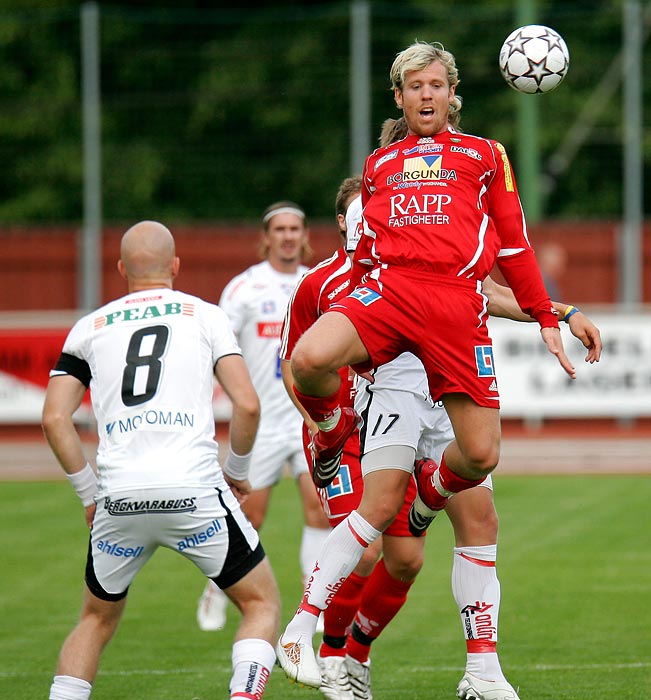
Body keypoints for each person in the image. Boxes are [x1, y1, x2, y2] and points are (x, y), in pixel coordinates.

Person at [276, 39, 583, 691]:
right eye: (413, 85)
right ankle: (306, 624)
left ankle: (479, 667)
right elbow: (375, 257)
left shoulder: (481, 156)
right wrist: (358, 299)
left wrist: (550, 314)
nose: (425, 94)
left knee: (480, 464)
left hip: (452, 315)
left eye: (435, 84)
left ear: (451, 94)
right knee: (307, 360)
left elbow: (512, 248)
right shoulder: (380, 167)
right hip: (394, 311)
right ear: (398, 96)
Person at [42, 221, 280, 700]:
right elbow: (248, 405)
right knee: (261, 603)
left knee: (94, 619)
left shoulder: (89, 327)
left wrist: (89, 495)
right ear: (175, 266)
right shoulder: (205, 316)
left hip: (119, 497)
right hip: (193, 490)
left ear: (121, 269)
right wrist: (235, 472)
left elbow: (53, 418)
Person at [197, 201, 332, 631]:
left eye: (295, 228)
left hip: (308, 418)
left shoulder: (319, 283)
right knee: (249, 515)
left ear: (305, 234)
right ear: (267, 236)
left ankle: (314, 606)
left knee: (318, 510)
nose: (288, 236)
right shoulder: (244, 289)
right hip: (262, 424)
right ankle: (216, 589)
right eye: (280, 229)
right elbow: (215, 350)